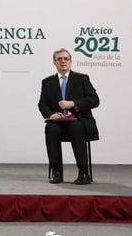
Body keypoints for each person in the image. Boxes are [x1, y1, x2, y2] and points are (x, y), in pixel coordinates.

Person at [38, 48, 100, 186]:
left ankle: (83, 172)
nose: (63, 61)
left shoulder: (82, 78)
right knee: (50, 128)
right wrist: (50, 114)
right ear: (54, 62)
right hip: (59, 122)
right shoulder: (47, 82)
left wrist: (73, 103)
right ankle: (56, 171)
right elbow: (42, 103)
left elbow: (95, 100)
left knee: (76, 127)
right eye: (59, 59)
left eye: (66, 59)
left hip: (79, 120)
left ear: (71, 61)